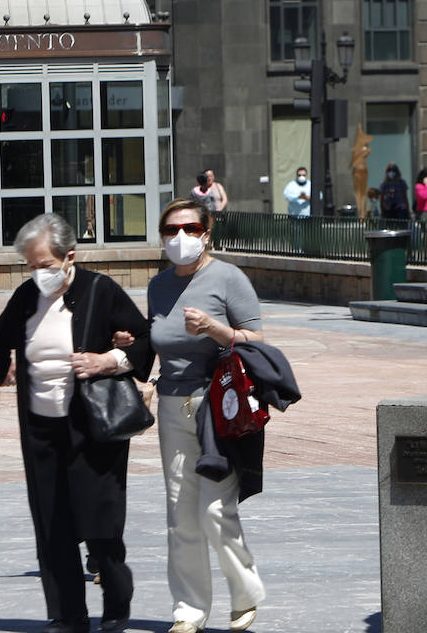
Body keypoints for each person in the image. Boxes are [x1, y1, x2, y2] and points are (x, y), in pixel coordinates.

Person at [0, 213, 152, 633]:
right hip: (41, 427)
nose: (38, 274)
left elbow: (144, 340)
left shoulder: (99, 291)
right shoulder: (25, 297)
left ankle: (116, 603)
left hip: (93, 425)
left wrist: (109, 360)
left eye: (45, 265)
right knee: (52, 523)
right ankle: (67, 614)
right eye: (31, 266)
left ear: (69, 256)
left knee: (101, 521)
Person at [149, 199, 266, 633]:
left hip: (219, 406)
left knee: (217, 510)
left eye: (190, 227)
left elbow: (256, 339)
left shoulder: (227, 277)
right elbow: (157, 338)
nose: (180, 236)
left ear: (207, 232)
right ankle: (188, 611)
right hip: (171, 404)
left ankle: (245, 595)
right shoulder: (158, 286)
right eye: (170, 230)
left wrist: (217, 330)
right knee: (181, 515)